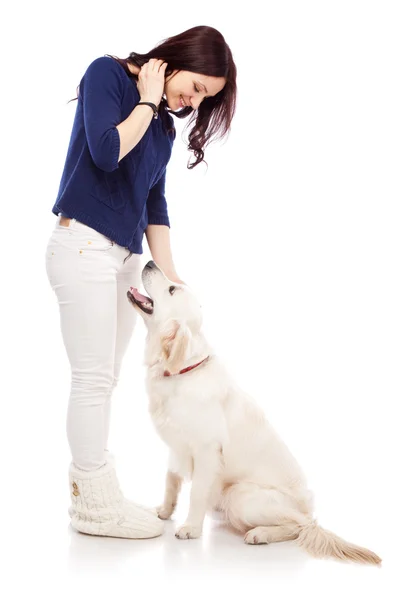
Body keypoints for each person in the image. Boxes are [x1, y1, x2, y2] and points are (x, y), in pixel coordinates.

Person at [45, 25, 237, 539]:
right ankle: (94, 508)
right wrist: (149, 102)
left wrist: (172, 278)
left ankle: (98, 500)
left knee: (105, 379)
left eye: (203, 99)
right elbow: (106, 151)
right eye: (196, 88)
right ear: (179, 58)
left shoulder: (164, 130)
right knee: (90, 379)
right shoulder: (106, 74)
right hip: (83, 244)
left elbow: (155, 203)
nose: (191, 102)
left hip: (126, 259)